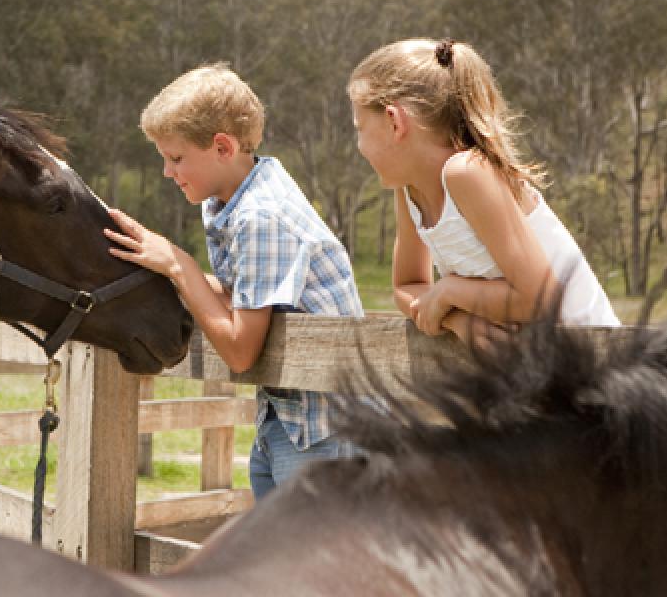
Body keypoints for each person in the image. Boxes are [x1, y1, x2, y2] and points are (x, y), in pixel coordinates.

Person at [104, 63, 363, 501]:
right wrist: (160, 268)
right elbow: (249, 296)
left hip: (324, 433)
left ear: (222, 146)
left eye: (176, 158)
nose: (168, 172)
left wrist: (181, 267)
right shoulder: (239, 195)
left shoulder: (260, 216)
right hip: (288, 419)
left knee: (312, 568)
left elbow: (241, 351)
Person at [347, 38, 619, 348]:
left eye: (360, 128)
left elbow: (541, 300)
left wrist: (450, 291)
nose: (359, 146)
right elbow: (408, 286)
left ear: (395, 122)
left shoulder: (466, 172)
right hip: (530, 371)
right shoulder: (410, 189)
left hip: (592, 362)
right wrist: (458, 319)